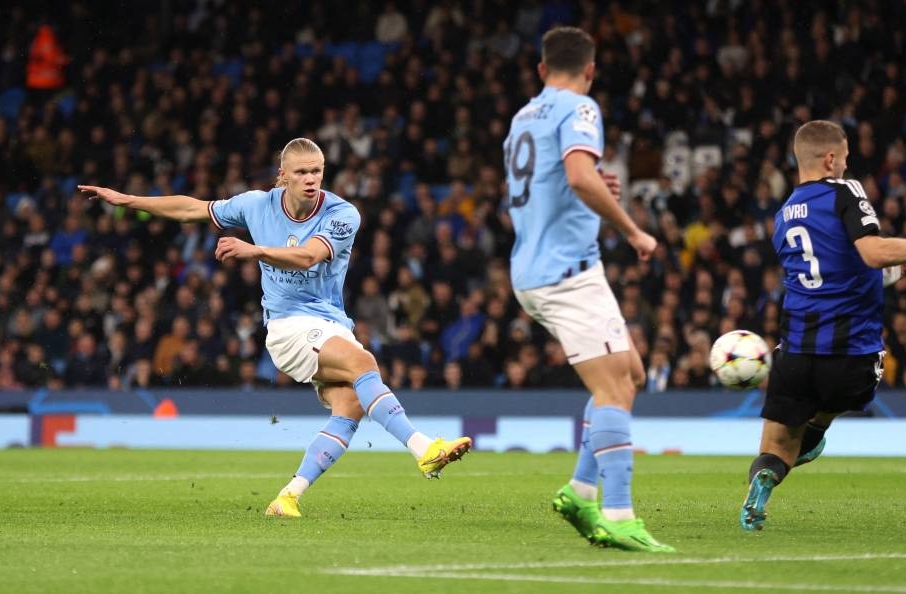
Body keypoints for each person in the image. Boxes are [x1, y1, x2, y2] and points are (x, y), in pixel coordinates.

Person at [79, 138, 471, 518]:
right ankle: (423, 448)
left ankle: (287, 497)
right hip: (287, 327)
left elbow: (308, 256)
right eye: (301, 172)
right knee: (364, 363)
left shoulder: (342, 213)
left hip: (330, 323)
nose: (311, 178)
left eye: (317, 170)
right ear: (282, 176)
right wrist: (128, 200)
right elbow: (191, 209)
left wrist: (255, 250)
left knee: (350, 405)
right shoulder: (256, 205)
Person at [740, 120, 906, 531]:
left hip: (795, 352)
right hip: (851, 351)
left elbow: (833, 274)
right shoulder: (846, 191)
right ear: (831, 159)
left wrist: (896, 270)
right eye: (846, 158)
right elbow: (870, 253)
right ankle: (817, 427)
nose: (847, 166)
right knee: (825, 413)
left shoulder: (781, 216)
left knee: (775, 450)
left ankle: (764, 480)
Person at [503, 26, 673, 553]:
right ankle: (618, 513)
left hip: (535, 266)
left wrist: (594, 186)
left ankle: (580, 489)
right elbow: (578, 176)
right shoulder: (581, 108)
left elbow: (553, 186)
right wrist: (634, 230)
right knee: (613, 389)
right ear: (591, 70)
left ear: (540, 69)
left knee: (633, 373)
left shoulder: (523, 117)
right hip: (567, 273)